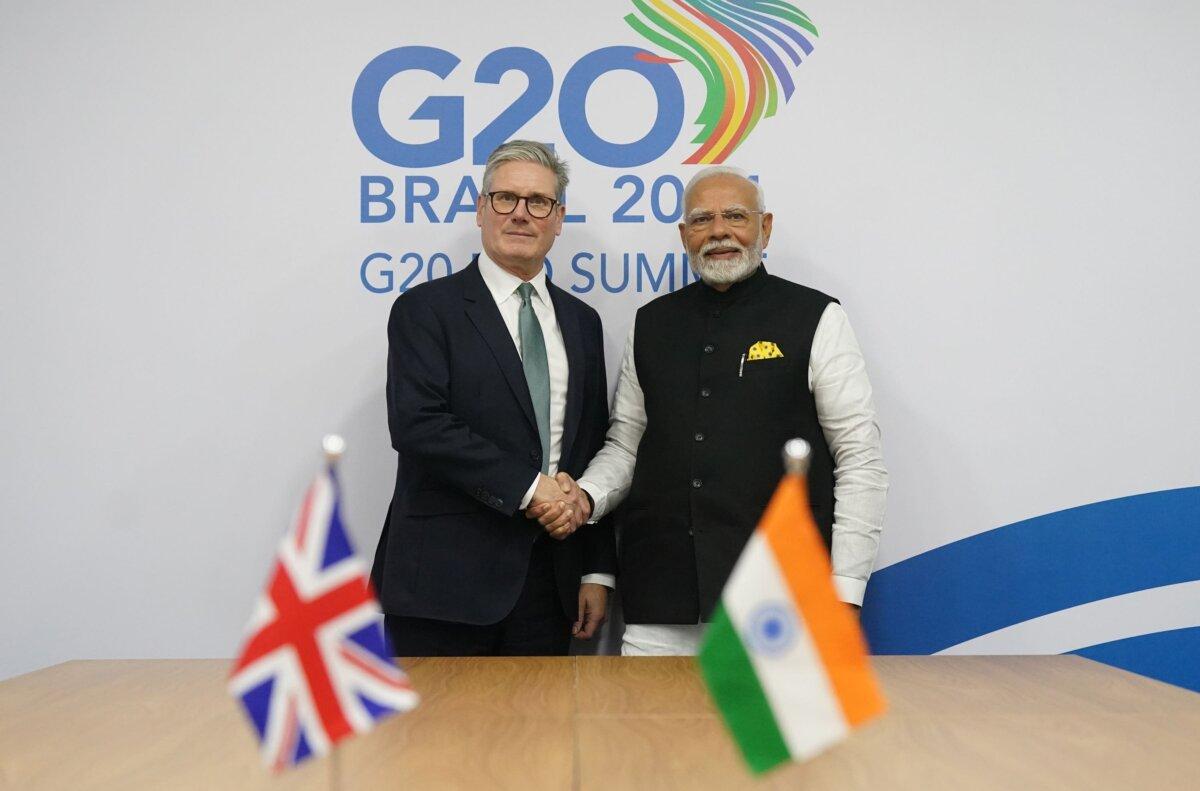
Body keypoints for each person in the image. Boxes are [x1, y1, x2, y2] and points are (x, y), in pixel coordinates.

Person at [535, 165, 888, 656]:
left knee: (764, 737)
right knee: (652, 735)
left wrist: (845, 588)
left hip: (780, 606)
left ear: (764, 228)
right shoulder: (652, 323)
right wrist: (585, 498)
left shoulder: (816, 317)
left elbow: (859, 458)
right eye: (702, 220)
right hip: (660, 606)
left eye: (735, 216)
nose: (719, 231)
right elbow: (626, 445)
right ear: (684, 235)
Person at [371, 140, 614, 656]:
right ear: (481, 209)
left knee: (540, 739)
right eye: (505, 198)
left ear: (559, 217)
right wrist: (532, 489)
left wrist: (595, 568)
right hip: (442, 588)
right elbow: (418, 424)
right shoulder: (425, 309)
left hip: (550, 585)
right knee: (436, 739)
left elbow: (591, 445)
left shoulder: (582, 321)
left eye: (539, 202)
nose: (521, 214)